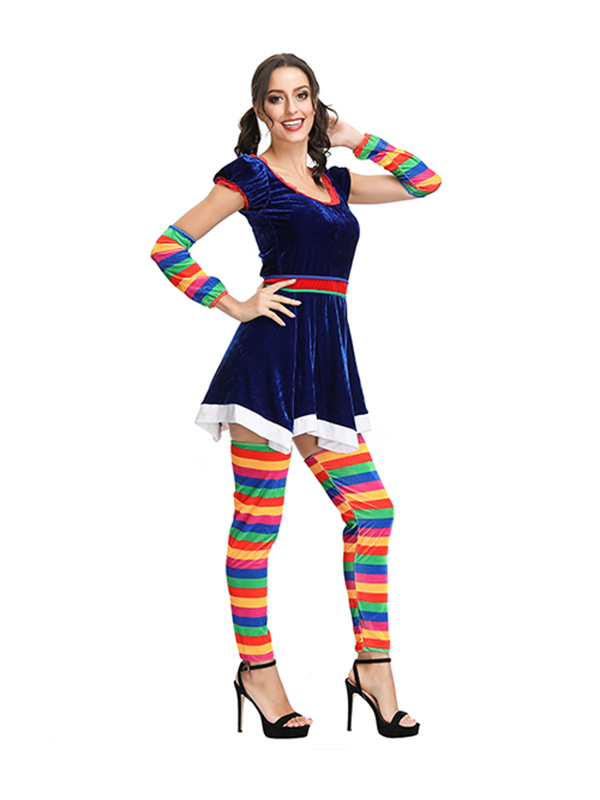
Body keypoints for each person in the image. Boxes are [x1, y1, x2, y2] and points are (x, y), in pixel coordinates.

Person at [150, 53, 441, 739]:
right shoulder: (248, 177)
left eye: (302, 95)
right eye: (277, 98)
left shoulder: (336, 182)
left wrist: (351, 135)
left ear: (316, 103)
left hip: (327, 367)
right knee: (259, 524)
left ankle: (372, 668)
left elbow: (424, 181)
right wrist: (234, 303)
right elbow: (169, 246)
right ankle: (259, 672)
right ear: (260, 109)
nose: (291, 109)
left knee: (373, 512)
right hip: (266, 368)